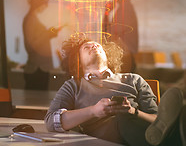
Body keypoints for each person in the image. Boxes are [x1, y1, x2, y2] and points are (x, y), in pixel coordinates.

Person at [45, 34, 185, 146]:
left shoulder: (134, 79)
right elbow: (51, 121)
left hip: (140, 128)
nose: (94, 45)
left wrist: (133, 111)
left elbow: (156, 119)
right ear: (77, 61)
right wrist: (94, 111)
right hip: (105, 136)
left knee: (182, 114)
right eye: (86, 47)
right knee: (121, 119)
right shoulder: (73, 85)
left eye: (97, 45)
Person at [23, 0, 61, 90]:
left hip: (40, 70)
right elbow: (30, 47)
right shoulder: (30, 19)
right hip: (37, 71)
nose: (46, 2)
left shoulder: (34, 18)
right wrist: (47, 34)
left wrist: (49, 34)